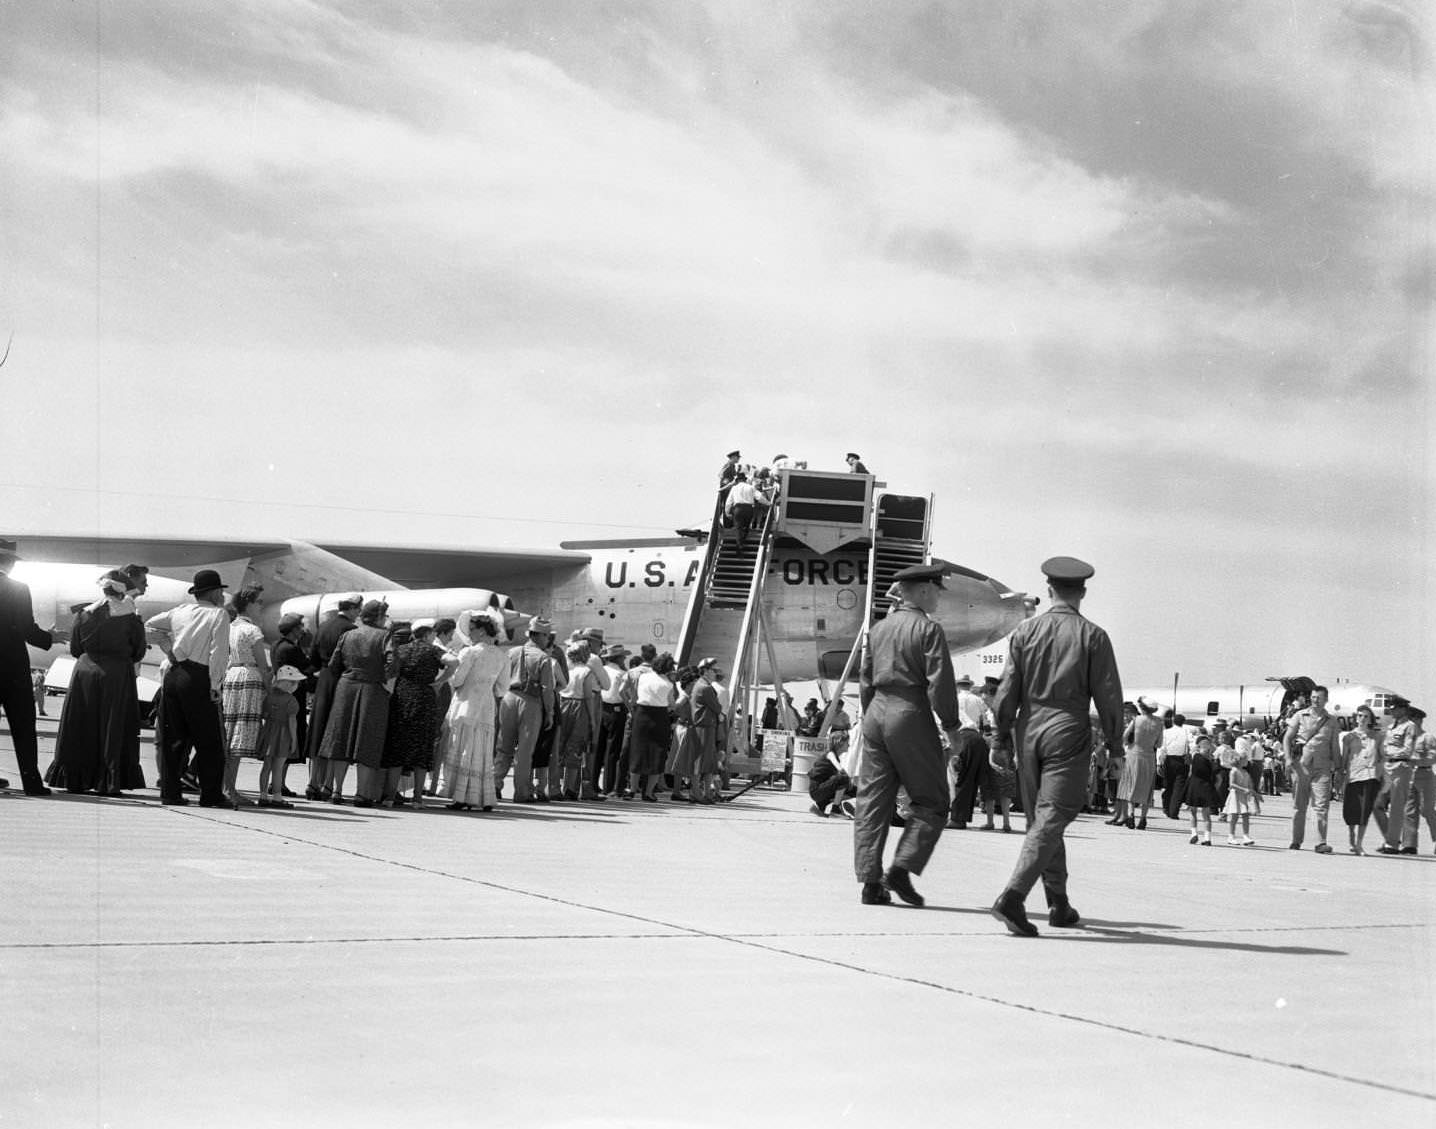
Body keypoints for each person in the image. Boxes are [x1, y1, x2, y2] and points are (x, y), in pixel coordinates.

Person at [990, 556, 1123, 937]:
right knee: (1053, 815)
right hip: (1067, 728)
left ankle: (1058, 903)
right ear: (1082, 591)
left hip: (1027, 728)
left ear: (1049, 590)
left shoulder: (1024, 632)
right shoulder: (1094, 636)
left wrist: (1001, 737)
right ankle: (1013, 897)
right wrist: (1115, 749)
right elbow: (1109, 697)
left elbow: (1006, 690)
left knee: (1041, 820)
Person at [854, 562, 965, 908]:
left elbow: (865, 679)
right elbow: (941, 684)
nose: (938, 598)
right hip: (910, 713)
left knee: (872, 802)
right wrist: (951, 727)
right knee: (932, 800)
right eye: (936, 591)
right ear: (922, 590)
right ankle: (901, 870)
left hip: (876, 714)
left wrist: (873, 716)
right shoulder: (929, 630)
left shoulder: (879, 629)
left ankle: (870, 884)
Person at [45, 568, 148, 795]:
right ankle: (108, 781)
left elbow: (75, 648)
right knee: (113, 726)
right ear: (122, 591)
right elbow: (139, 651)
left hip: (85, 672)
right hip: (117, 673)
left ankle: (76, 778)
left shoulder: (85, 613)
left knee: (81, 724)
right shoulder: (131, 617)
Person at [145, 569, 234, 808]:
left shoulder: (180, 611)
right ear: (215, 592)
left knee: (173, 737)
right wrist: (216, 684)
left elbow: (149, 625)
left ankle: (170, 791)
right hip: (199, 676)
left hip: (175, 674)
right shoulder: (219, 615)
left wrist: (168, 647)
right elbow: (218, 653)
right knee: (210, 740)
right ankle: (211, 794)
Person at [318, 599, 395, 806]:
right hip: (372, 690)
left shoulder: (348, 634)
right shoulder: (385, 636)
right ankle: (361, 794)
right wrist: (386, 678)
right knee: (367, 741)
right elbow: (392, 662)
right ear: (379, 617)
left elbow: (334, 664)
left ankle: (336, 790)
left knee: (340, 738)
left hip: (346, 687)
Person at [0, 538, 55, 795]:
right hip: (12, 666)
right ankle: (31, 782)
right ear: (10, 563)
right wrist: (51, 638)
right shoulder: (18, 589)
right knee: (22, 724)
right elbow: (26, 629)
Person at [438, 610, 507, 811]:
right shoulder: (501, 656)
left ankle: (461, 796)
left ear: (482, 631)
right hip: (486, 705)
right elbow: (502, 688)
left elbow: (457, 679)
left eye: (473, 630)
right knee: (482, 750)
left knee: (464, 747)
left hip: (466, 702)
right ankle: (482, 797)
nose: (470, 633)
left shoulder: (469, 652)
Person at [384, 622, 452, 808]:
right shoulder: (433, 650)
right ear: (428, 633)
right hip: (424, 698)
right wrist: (439, 681)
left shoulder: (402, 649)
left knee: (397, 748)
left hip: (403, 697)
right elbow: (453, 662)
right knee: (421, 749)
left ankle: (389, 797)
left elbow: (390, 672)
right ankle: (417, 799)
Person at [303, 595, 361, 800]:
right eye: (358, 609)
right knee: (335, 732)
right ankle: (328, 784)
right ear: (353, 609)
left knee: (318, 729)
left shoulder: (324, 627)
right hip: (342, 681)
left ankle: (312, 782)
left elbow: (313, 659)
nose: (359, 614)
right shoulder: (352, 631)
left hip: (324, 679)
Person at [494, 616, 557, 803]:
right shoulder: (543, 658)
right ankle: (521, 792)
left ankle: (494, 784)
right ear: (541, 636)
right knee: (524, 751)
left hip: (508, 698)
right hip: (530, 703)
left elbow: (500, 677)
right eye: (547, 637)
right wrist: (550, 712)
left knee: (503, 747)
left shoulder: (511, 652)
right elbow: (547, 688)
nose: (548, 640)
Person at [221, 587, 271, 805]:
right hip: (249, 677)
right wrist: (270, 687)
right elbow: (262, 663)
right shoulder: (252, 630)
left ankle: (226, 786)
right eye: (259, 602)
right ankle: (229, 789)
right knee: (240, 734)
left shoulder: (230, 627)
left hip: (231, 676)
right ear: (249, 603)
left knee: (229, 732)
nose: (261, 606)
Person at [1283, 684, 1340, 853]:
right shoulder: (1300, 715)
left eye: (1319, 698)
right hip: (1301, 767)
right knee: (1299, 806)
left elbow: (1335, 747)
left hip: (1322, 769)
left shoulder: (1332, 722)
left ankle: (1321, 842)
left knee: (1321, 806)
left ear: (1326, 700)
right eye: (1313, 697)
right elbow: (1287, 738)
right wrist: (1287, 758)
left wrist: (1339, 769)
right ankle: (1296, 840)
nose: (1315, 700)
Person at [270, 612, 313, 794]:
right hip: (292, 697)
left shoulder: (276, 645)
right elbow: (308, 668)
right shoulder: (291, 649)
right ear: (293, 629)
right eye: (299, 628)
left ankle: (278, 782)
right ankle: (278, 783)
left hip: (279, 694)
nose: (302, 631)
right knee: (288, 739)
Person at [628, 652, 676, 801]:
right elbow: (671, 704)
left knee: (638, 752)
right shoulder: (668, 684)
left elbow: (635, 696)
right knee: (657, 754)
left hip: (641, 714)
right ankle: (648, 792)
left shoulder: (643, 677)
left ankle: (632, 788)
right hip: (659, 716)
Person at [1338, 704, 1384, 855]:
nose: (1362, 719)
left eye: (1366, 716)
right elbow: (1345, 759)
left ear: (1370, 719)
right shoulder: (1348, 737)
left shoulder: (1377, 737)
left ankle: (1359, 844)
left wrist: (1379, 774)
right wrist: (1340, 776)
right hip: (1353, 777)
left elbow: (1382, 757)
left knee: (1365, 811)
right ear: (1355, 718)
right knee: (1351, 811)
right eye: (1360, 716)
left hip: (1370, 777)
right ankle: (1351, 836)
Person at [254, 665, 302, 808]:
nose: (297, 686)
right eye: (296, 683)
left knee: (266, 766)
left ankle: (262, 795)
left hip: (269, 733)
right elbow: (292, 722)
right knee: (278, 767)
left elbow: (264, 714)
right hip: (283, 736)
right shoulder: (291, 701)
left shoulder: (268, 697)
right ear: (288, 684)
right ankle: (277, 797)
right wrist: (294, 739)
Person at [1112, 696, 1163, 829]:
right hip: (1149, 756)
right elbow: (1159, 743)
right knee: (1147, 788)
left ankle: (1131, 815)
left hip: (1134, 754)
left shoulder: (1137, 720)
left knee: (1131, 785)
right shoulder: (1159, 722)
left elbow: (1125, 736)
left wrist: (1129, 742)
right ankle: (1143, 819)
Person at [946, 672, 989, 829]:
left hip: (961, 737)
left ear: (958, 686)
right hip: (976, 737)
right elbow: (985, 723)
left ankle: (955, 817)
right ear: (970, 686)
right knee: (970, 780)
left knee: (957, 778)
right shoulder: (978, 700)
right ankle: (961, 817)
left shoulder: (951, 701)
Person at [594, 644, 631, 796]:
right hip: (616, 710)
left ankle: (593, 783)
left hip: (601, 708)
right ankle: (609, 786)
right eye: (623, 657)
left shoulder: (601, 671)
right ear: (619, 658)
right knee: (612, 750)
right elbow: (625, 694)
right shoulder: (622, 673)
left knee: (598, 748)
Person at [1398, 707, 1434, 854]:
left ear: (1419, 721)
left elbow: (1432, 758)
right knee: (1409, 811)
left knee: (1427, 810)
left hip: (1425, 777)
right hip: (1409, 777)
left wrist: (1415, 760)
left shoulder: (1427, 738)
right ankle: (1409, 845)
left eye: (1413, 720)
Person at [1221, 747, 1258, 845]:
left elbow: (1250, 784)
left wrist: (1254, 793)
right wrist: (1244, 789)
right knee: (1234, 816)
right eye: (1245, 759)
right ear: (1239, 760)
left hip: (1244, 797)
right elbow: (1232, 784)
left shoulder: (1245, 772)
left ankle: (1246, 836)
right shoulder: (1233, 771)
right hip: (1235, 796)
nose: (1247, 761)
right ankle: (1231, 836)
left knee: (1246, 815)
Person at [1185, 734, 1218, 845]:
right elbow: (1217, 777)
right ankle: (1207, 838)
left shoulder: (1195, 756)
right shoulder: (1211, 760)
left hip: (1194, 785)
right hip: (1206, 786)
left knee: (1192, 811)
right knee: (1206, 814)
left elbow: (1190, 770)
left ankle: (1194, 833)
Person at [1160, 711, 1190, 819]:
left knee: (1168, 784)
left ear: (1173, 721)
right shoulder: (1186, 732)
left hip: (1168, 759)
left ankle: (1166, 807)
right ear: (1183, 722)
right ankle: (1174, 812)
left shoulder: (1166, 732)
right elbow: (1191, 745)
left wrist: (1159, 763)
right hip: (1181, 760)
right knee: (1178, 787)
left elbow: (1161, 748)